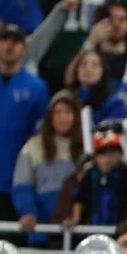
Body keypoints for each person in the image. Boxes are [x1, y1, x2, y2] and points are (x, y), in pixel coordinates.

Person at [0, 24, 49, 228]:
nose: (9, 47)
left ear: (23, 48)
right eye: (4, 40)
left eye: (16, 42)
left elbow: (38, 137)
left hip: (9, 183)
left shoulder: (36, 88)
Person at [11, 90, 83, 240]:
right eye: (58, 112)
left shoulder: (88, 149)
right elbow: (22, 185)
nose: (63, 117)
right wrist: (27, 212)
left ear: (76, 116)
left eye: (68, 112)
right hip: (42, 229)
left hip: (78, 230)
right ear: (50, 117)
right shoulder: (33, 147)